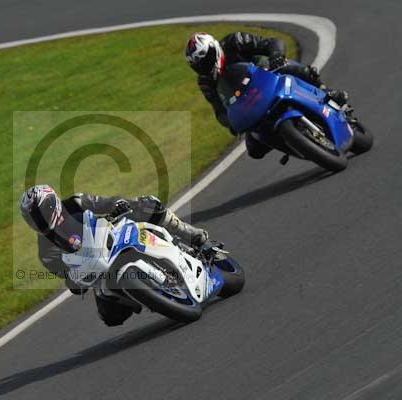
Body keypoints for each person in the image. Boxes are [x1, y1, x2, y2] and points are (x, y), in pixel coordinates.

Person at [19, 184, 208, 326]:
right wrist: (75, 282)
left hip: (115, 235)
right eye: (34, 218)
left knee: (147, 206)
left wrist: (118, 205)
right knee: (110, 316)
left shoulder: (76, 203)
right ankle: (151, 295)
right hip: (100, 269)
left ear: (53, 203)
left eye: (41, 213)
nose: (39, 220)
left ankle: (188, 233)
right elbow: (67, 276)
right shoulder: (45, 251)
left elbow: (105, 203)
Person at [185, 31, 350, 159]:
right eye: (200, 66)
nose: (205, 67)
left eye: (206, 61)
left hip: (269, 76)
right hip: (249, 105)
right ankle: (294, 144)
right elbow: (219, 110)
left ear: (214, 48)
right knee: (254, 150)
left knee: (298, 70)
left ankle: (327, 93)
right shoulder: (205, 82)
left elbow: (271, 43)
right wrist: (231, 124)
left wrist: (276, 55)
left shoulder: (234, 41)